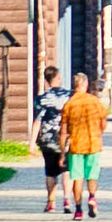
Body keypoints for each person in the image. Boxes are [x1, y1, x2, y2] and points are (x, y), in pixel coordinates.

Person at [58, 71, 108, 221]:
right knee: (92, 174)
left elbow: (63, 132)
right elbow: (103, 123)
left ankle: (78, 209)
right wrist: (98, 132)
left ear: (74, 86)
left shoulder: (69, 104)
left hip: (76, 145)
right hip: (93, 143)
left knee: (77, 177)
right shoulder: (95, 102)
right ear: (85, 84)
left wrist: (62, 153)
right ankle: (92, 197)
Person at [33, 78, 68, 212]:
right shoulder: (67, 96)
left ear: (47, 80)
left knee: (50, 172)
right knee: (66, 171)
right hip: (64, 138)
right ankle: (66, 201)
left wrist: (32, 143)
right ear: (58, 78)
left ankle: (51, 202)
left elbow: (37, 121)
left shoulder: (42, 99)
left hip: (47, 139)